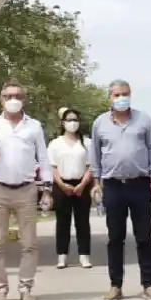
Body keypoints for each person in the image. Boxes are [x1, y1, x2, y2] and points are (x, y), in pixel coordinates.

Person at [0, 80, 50, 300]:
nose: (13, 100)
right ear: (1, 99)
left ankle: (26, 287)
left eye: (17, 96)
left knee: (29, 244)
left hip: (26, 190)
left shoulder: (34, 126)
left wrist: (47, 188)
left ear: (23, 100)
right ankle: (0, 288)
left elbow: (43, 157)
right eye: (8, 96)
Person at [90, 79, 151, 300]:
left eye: (125, 94)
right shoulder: (100, 123)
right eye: (117, 94)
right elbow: (95, 153)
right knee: (115, 238)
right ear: (109, 97)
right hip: (113, 185)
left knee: (144, 237)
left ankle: (148, 285)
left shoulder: (143, 120)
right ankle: (115, 286)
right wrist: (96, 182)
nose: (121, 98)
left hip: (140, 184)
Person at [48, 107, 93, 269]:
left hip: (82, 185)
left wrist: (83, 184)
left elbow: (90, 166)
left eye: (75, 120)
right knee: (62, 222)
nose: (72, 123)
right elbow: (52, 167)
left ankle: (84, 255)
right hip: (62, 185)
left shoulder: (86, 143)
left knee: (83, 222)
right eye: (69, 120)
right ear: (63, 123)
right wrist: (61, 184)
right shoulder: (55, 144)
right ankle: (62, 255)